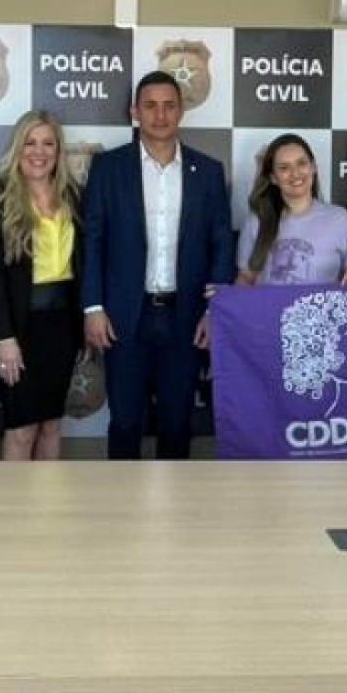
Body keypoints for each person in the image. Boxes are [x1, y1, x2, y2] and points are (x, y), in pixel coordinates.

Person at [79, 72, 234, 460]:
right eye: (150, 106)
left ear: (181, 111)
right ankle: (121, 499)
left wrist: (214, 310)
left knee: (177, 423)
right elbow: (92, 241)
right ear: (135, 111)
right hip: (124, 317)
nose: (160, 115)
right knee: (125, 422)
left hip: (186, 316)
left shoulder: (208, 171)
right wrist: (93, 307)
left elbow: (221, 244)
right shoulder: (108, 167)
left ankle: (173, 502)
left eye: (169, 106)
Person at [0, 111, 85, 461]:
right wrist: (3, 337)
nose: (38, 152)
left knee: (52, 424)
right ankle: (15, 498)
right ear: (18, 147)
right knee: (21, 428)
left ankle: (46, 497)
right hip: (19, 328)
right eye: (30, 142)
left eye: (48, 143)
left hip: (62, 326)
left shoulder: (72, 194)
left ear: (58, 150)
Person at [235, 133, 347, 287]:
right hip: (269, 304)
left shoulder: (341, 219)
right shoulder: (257, 221)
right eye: (284, 168)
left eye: (301, 163)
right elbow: (245, 279)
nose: (295, 173)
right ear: (273, 177)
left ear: (313, 167)